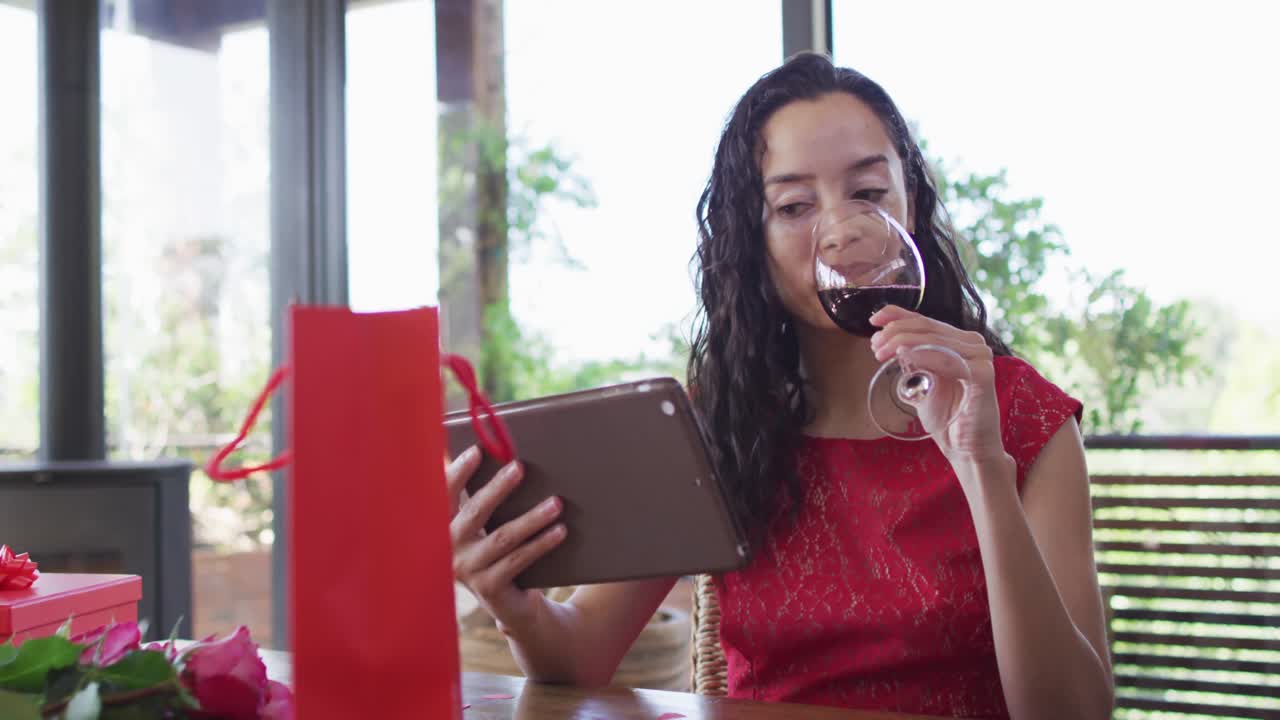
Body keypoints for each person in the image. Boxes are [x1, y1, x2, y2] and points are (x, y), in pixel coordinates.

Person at [446, 52, 1114, 720]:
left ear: (910, 205)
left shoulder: (1020, 414)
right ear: (752, 239)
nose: (841, 233)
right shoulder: (719, 421)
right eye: (794, 206)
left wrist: (982, 468)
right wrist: (515, 606)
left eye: (869, 194)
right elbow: (582, 656)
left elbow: (1076, 713)